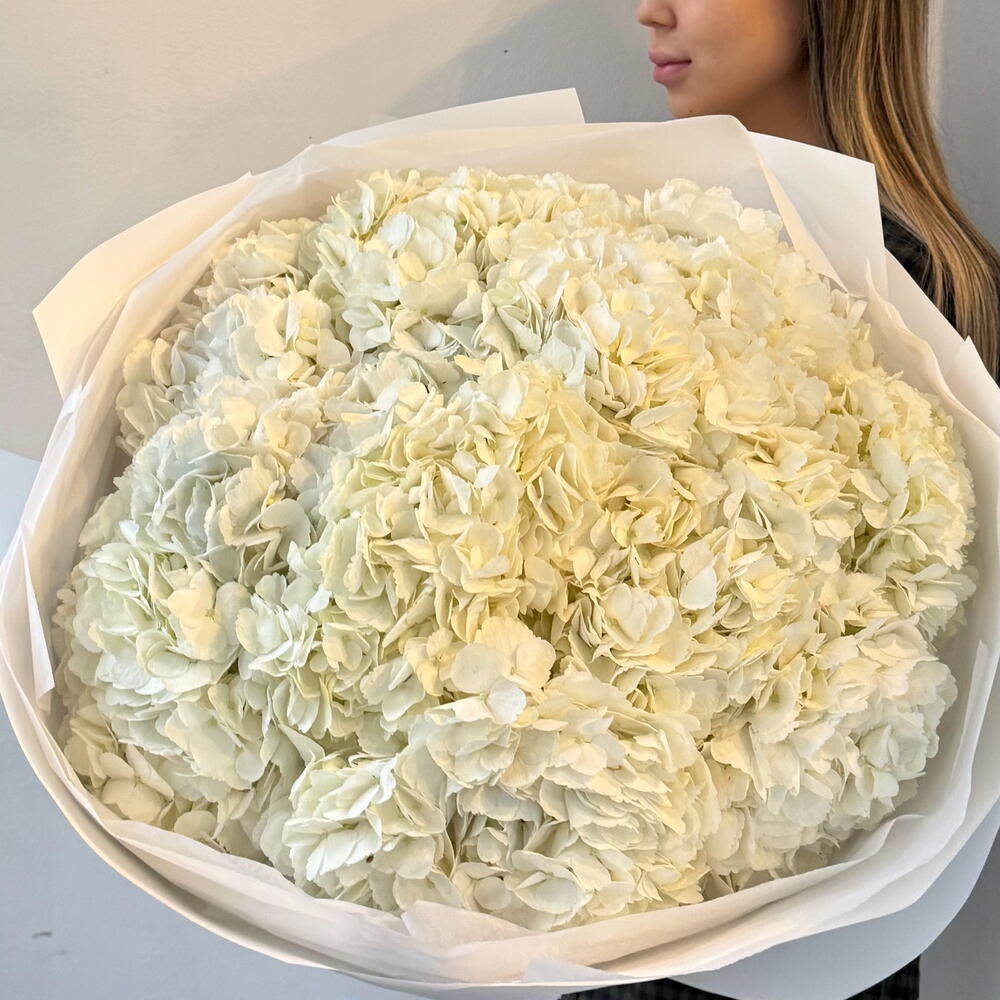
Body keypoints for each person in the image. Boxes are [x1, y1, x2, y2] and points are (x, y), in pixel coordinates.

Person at [562, 2, 1000, 999]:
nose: (650, 10)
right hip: (611, 888)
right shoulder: (614, 241)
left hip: (817, 919)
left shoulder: (929, 287)